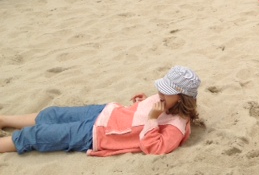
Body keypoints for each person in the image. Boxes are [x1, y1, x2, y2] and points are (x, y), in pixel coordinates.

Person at [0, 66, 201, 156]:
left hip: (96, 134)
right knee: (53, 114)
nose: (159, 93)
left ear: (181, 98)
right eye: (160, 89)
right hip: (105, 112)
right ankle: (5, 120)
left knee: (40, 135)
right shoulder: (165, 100)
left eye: (165, 92)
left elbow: (155, 148)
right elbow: (143, 112)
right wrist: (143, 103)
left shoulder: (176, 126)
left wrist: (152, 119)